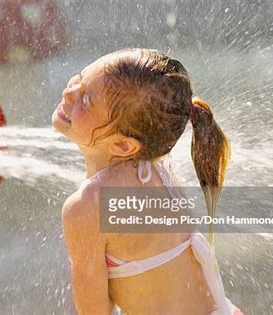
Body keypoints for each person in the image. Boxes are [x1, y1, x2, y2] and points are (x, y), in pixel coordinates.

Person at [51, 48, 243, 315]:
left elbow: (94, 311)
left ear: (123, 145)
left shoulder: (87, 207)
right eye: (81, 79)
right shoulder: (158, 168)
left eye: (86, 100)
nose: (69, 93)